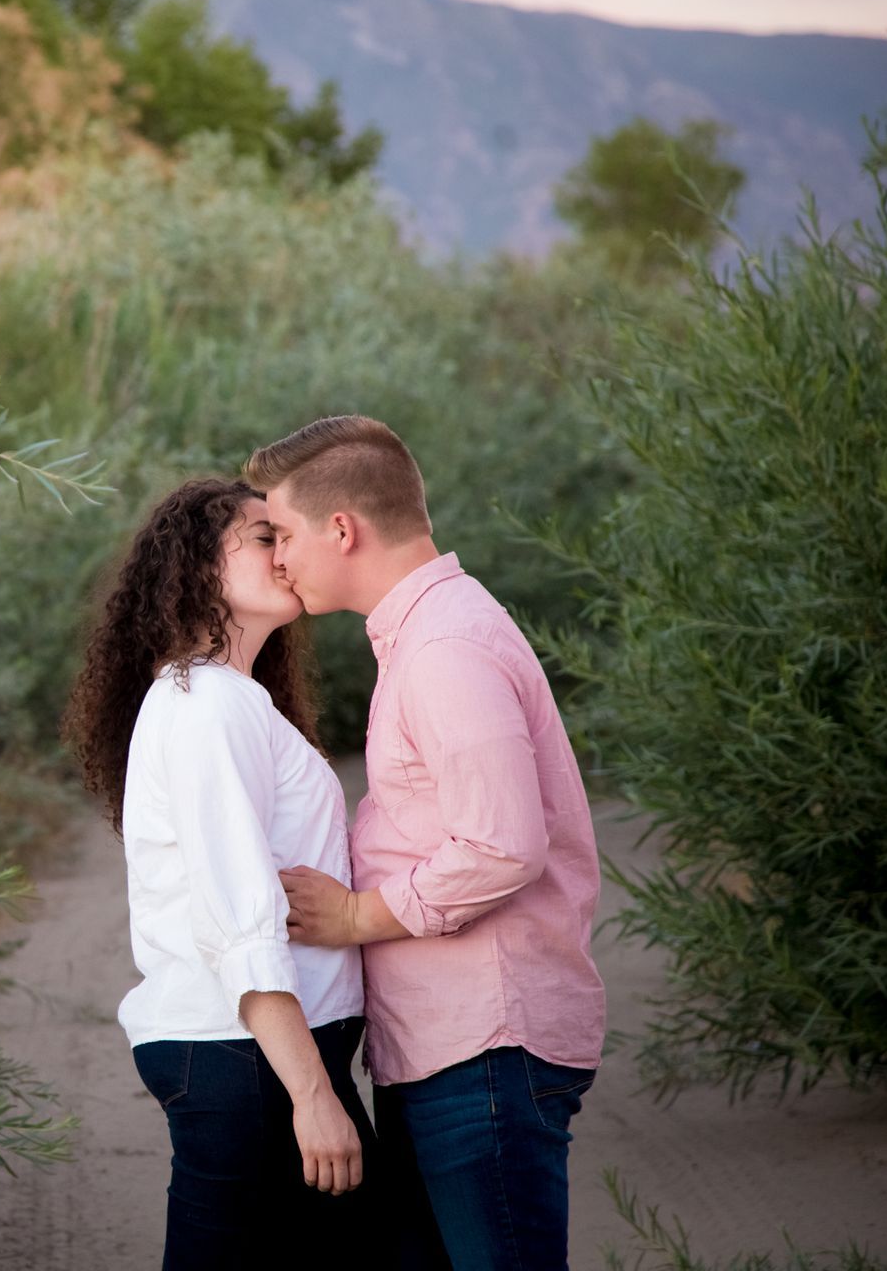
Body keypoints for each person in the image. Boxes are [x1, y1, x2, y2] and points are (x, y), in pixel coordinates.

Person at [246, 415, 606, 1270]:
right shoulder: (426, 635)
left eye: (286, 534)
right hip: (451, 1047)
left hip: (485, 1045)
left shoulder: (444, 646)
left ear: (343, 529)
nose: (278, 558)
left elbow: (502, 845)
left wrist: (357, 916)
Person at [62, 477, 383, 1269]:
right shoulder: (204, 703)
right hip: (251, 1059)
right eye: (264, 536)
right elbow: (241, 920)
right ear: (199, 569)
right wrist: (314, 1098)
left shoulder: (230, 700)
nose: (288, 551)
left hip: (259, 1057)